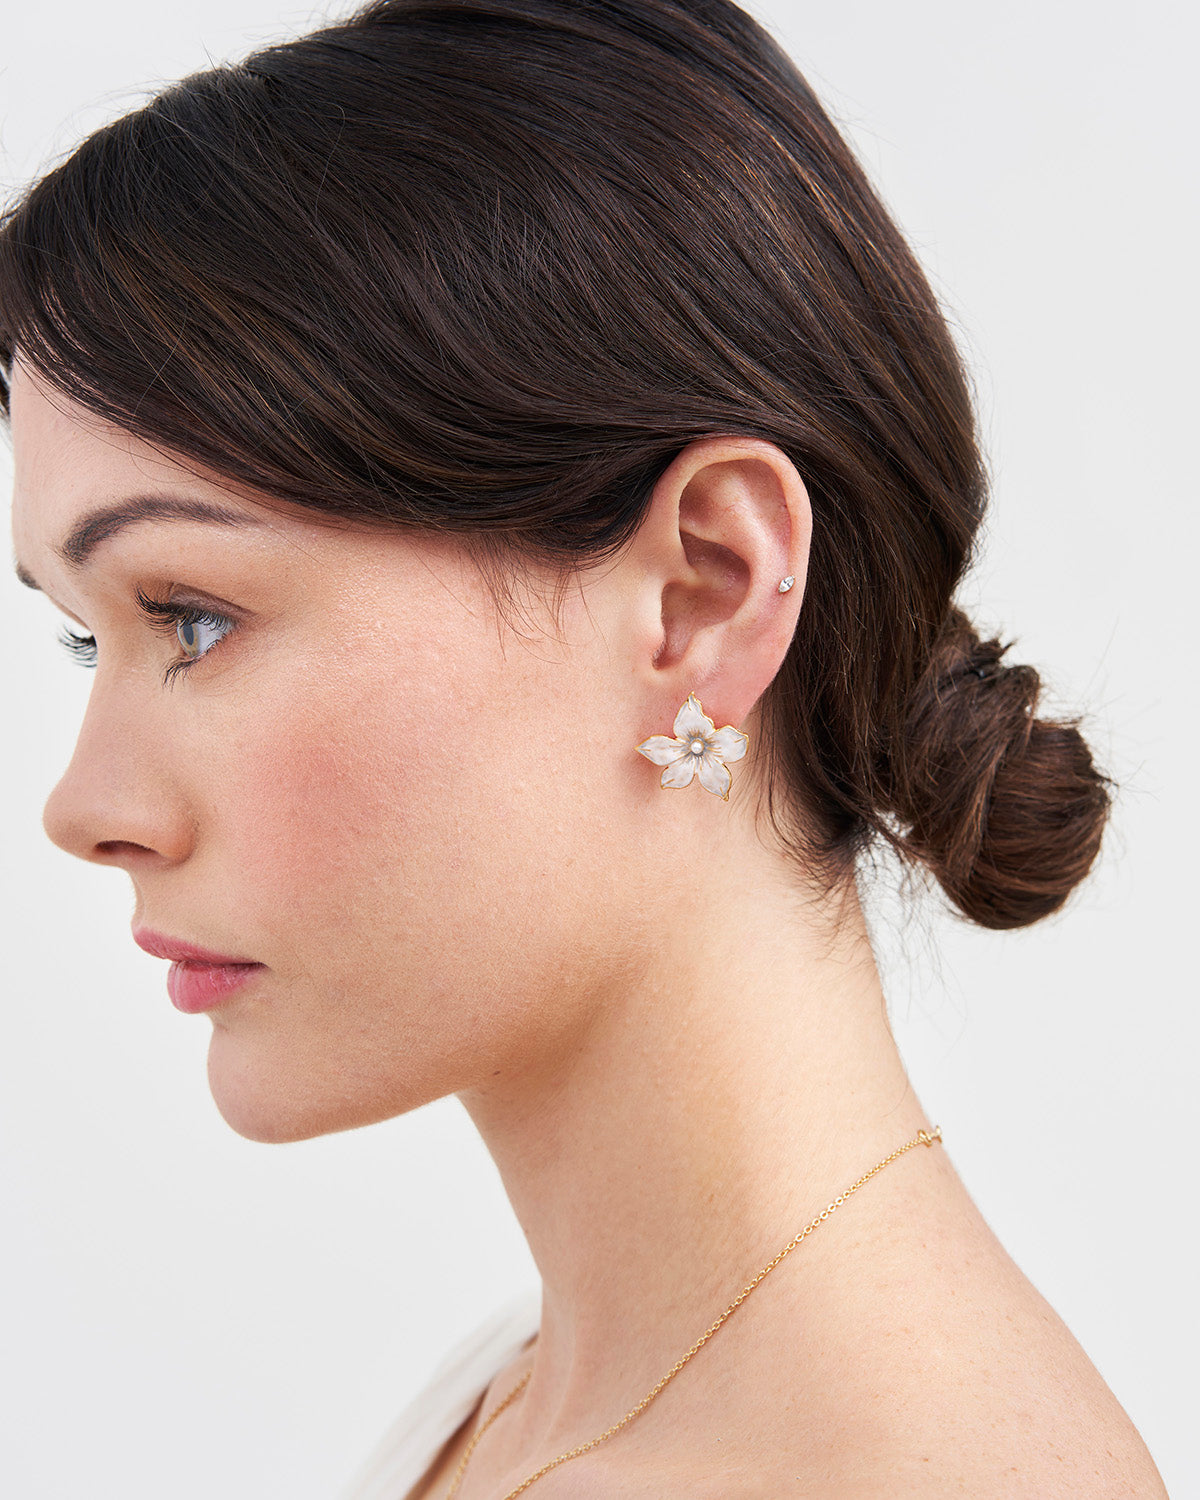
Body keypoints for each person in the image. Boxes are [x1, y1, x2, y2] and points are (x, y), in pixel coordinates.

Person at [0, 0, 1170, 1495]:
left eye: (195, 617)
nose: (83, 807)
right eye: (85, 639)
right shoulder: (530, 1397)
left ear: (702, 594)